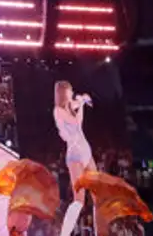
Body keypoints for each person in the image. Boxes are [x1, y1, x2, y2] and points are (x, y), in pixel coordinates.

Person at [53, 82, 94, 236]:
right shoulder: (58, 111)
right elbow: (77, 123)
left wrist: (83, 99)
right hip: (75, 153)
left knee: (98, 193)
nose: (72, 92)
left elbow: (82, 102)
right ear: (64, 93)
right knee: (79, 200)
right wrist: (81, 104)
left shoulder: (69, 107)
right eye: (70, 91)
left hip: (85, 149)